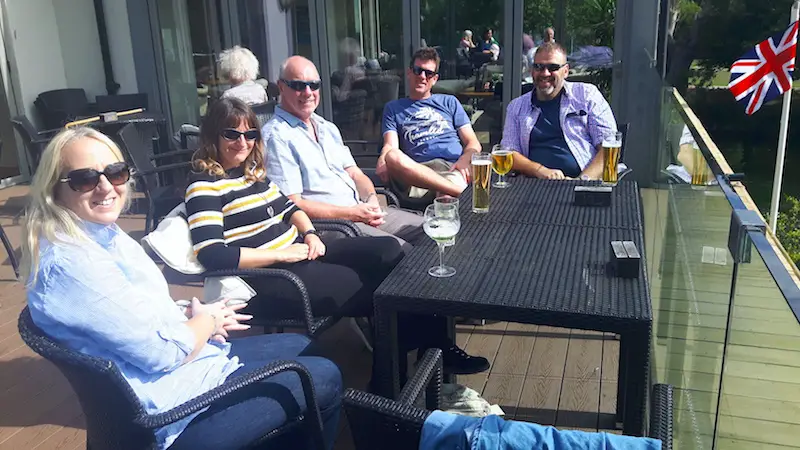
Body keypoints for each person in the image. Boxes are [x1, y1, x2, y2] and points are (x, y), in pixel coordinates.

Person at [21, 126, 343, 449]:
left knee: (303, 347)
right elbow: (160, 353)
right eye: (85, 178)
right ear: (54, 190)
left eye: (115, 173)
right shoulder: (73, 265)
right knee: (323, 376)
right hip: (171, 415)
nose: (105, 186)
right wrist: (207, 323)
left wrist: (190, 315)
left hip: (184, 373)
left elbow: (125, 313)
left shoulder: (99, 236)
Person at [187, 97, 489, 375]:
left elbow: (291, 208)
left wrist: (309, 233)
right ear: (213, 135)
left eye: (251, 134)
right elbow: (213, 255)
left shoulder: (251, 175)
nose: (243, 142)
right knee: (380, 289)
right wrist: (281, 255)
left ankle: (428, 348)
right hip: (270, 277)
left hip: (302, 251)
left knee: (389, 251)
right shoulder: (204, 187)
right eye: (232, 134)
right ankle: (389, 377)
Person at [263, 56, 425, 250]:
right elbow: (292, 204)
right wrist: (352, 213)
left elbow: (355, 173)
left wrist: (371, 199)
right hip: (331, 227)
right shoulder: (277, 137)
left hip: (360, 211)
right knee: (402, 251)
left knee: (431, 229)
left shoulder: (326, 127)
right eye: (298, 85)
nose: (308, 92)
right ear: (281, 87)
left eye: (314, 85)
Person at [500, 42, 617, 180]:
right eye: (539, 67)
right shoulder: (516, 107)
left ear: (566, 71)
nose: (545, 73)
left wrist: (582, 181)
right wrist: (539, 170)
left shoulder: (586, 96)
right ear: (532, 71)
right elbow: (508, 152)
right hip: (533, 184)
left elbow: (608, 147)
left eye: (553, 67)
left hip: (583, 182)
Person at [378, 48, 483, 199]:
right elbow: (390, 145)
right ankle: (463, 194)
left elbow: (473, 142)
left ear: (435, 79)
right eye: (417, 70)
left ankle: (450, 190)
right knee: (392, 156)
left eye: (428, 73)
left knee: (446, 197)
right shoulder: (393, 108)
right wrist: (383, 157)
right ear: (409, 73)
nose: (422, 77)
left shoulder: (449, 102)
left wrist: (465, 159)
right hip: (417, 173)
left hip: (451, 168)